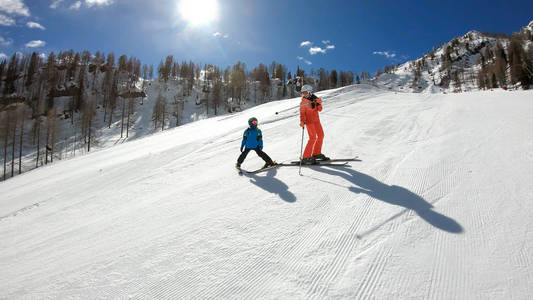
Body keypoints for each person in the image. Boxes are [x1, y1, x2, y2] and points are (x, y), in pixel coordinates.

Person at [299, 85, 329, 164]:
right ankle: (306, 157)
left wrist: (319, 103)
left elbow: (320, 110)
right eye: (303, 93)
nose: (304, 94)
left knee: (321, 135)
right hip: (309, 122)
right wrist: (302, 121)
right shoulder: (303, 102)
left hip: (316, 121)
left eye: (305, 92)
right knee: (312, 138)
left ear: (310, 92)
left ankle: (316, 153)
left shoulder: (314, 99)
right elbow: (302, 113)